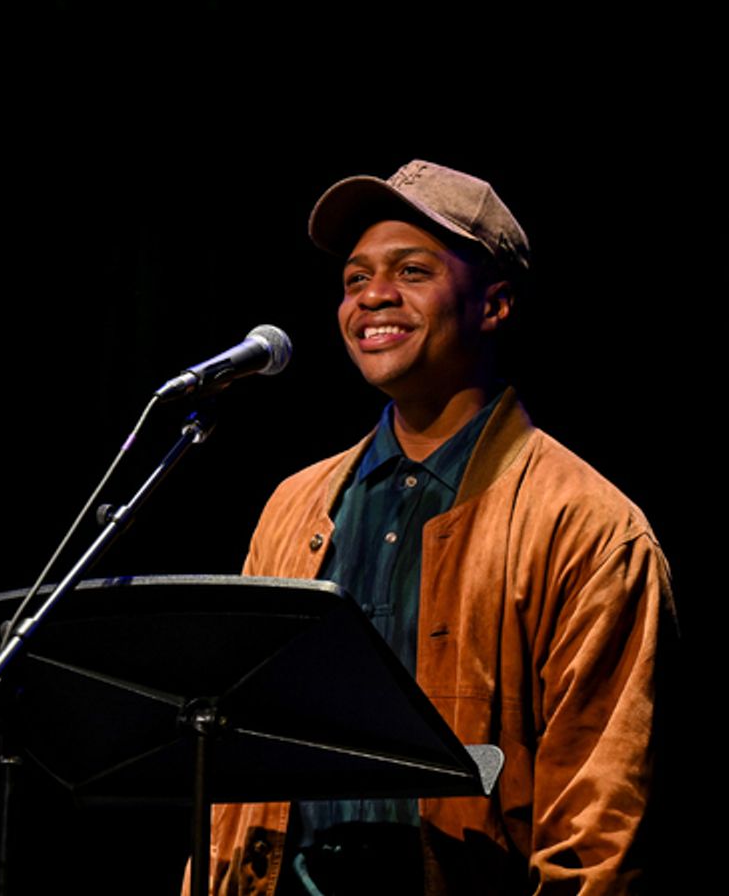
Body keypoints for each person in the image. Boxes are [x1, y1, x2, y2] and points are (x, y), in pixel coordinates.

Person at [199, 161, 674, 895]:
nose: (373, 296)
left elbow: (598, 819)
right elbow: (230, 772)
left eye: (412, 270)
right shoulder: (295, 508)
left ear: (495, 304)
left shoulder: (585, 524)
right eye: (355, 279)